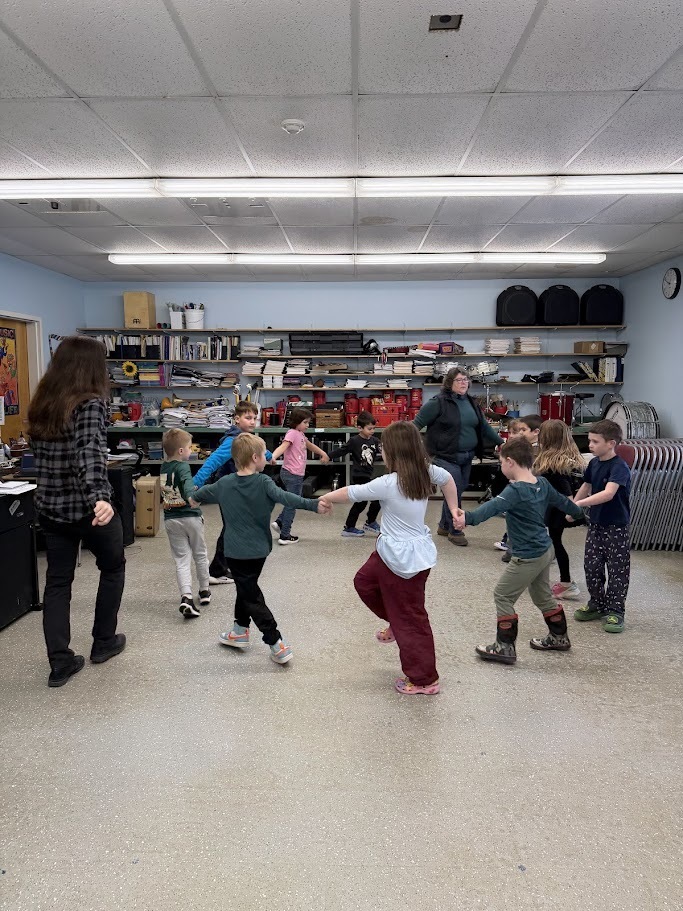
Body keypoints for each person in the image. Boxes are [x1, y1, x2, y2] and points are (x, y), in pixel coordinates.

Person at [320, 422, 460, 696]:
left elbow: (351, 492)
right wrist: (454, 508)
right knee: (365, 582)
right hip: (392, 553)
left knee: (411, 619)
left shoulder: (388, 483)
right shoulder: (425, 471)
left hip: (403, 560)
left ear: (394, 452)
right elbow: (449, 480)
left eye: (384, 447)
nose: (381, 451)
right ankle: (396, 621)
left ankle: (424, 680)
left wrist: (324, 497)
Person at [27, 336, 126, 688]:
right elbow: (89, 453)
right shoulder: (90, 404)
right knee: (113, 567)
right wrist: (100, 496)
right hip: (89, 509)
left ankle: (60, 663)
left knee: (57, 582)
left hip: (51, 509)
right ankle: (103, 641)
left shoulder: (42, 403)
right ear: (92, 366)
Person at [190, 433, 330, 664]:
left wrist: (193, 500)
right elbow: (287, 498)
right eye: (265, 453)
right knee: (248, 589)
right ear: (255, 458)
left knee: (249, 591)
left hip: (235, 553)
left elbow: (200, 494)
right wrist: (313, 505)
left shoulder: (224, 484)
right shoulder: (264, 482)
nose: (268, 457)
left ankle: (273, 641)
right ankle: (245, 632)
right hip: (260, 551)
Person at [453, 437, 584, 665]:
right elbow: (565, 504)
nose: (501, 467)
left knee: (503, 595)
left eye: (502, 462)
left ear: (510, 462)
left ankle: (504, 647)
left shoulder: (515, 491)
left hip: (528, 556)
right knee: (542, 596)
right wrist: (579, 514)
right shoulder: (542, 483)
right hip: (545, 550)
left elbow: (491, 508)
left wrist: (467, 519)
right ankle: (559, 638)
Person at [413, 367, 503, 547]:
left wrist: (501, 442)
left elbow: (484, 427)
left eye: (466, 379)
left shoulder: (471, 402)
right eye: (459, 380)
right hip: (444, 456)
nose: (463, 383)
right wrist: (409, 447)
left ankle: (444, 525)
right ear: (449, 383)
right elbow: (415, 425)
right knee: (455, 491)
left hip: (467, 456)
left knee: (456, 491)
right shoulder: (437, 403)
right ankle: (456, 530)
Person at [192, 401, 273, 585]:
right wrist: (195, 483)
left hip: (241, 489)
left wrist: (270, 457)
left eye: (255, 418)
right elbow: (212, 462)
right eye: (248, 418)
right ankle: (216, 570)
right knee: (231, 528)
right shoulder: (232, 441)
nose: (253, 422)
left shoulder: (246, 438)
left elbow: (260, 449)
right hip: (230, 490)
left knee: (236, 526)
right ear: (237, 419)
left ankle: (227, 565)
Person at [571, 419, 631, 633]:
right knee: (592, 566)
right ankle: (597, 604)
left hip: (616, 526)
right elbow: (586, 486)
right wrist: (573, 509)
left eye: (595, 442)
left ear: (611, 443)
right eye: (590, 441)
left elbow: (608, 493)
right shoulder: (594, 463)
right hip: (595, 525)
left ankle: (615, 611)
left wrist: (580, 504)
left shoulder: (619, 467)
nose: (591, 445)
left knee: (617, 570)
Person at [161, 428, 211, 619]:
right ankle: (204, 591)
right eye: (190, 447)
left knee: (181, 559)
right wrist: (193, 497)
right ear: (181, 451)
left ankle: (186, 597)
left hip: (171, 519)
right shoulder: (183, 467)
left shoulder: (164, 467)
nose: (191, 450)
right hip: (191, 516)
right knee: (200, 553)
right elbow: (188, 487)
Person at [533, 420, 585, 601]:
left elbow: (566, 492)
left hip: (559, 511)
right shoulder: (568, 459)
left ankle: (566, 584)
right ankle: (559, 581)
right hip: (556, 508)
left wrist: (572, 511)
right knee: (553, 542)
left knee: (555, 543)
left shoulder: (553, 466)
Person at [271, 407, 329, 545]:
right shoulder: (292, 433)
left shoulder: (300, 434)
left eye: (309, 422)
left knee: (292, 500)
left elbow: (310, 446)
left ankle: (279, 522)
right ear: (297, 422)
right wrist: (273, 456)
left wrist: (323, 453)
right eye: (305, 422)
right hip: (292, 474)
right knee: (293, 503)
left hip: (293, 474)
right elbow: (283, 446)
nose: (307, 425)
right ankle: (285, 535)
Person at [328, 410, 382, 537]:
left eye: (374, 428)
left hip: (369, 475)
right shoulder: (354, 441)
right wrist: (327, 456)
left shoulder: (374, 440)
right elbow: (341, 451)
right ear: (359, 428)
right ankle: (363, 524)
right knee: (373, 499)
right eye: (369, 429)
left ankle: (355, 525)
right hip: (359, 476)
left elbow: (382, 452)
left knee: (364, 502)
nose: (372, 431)